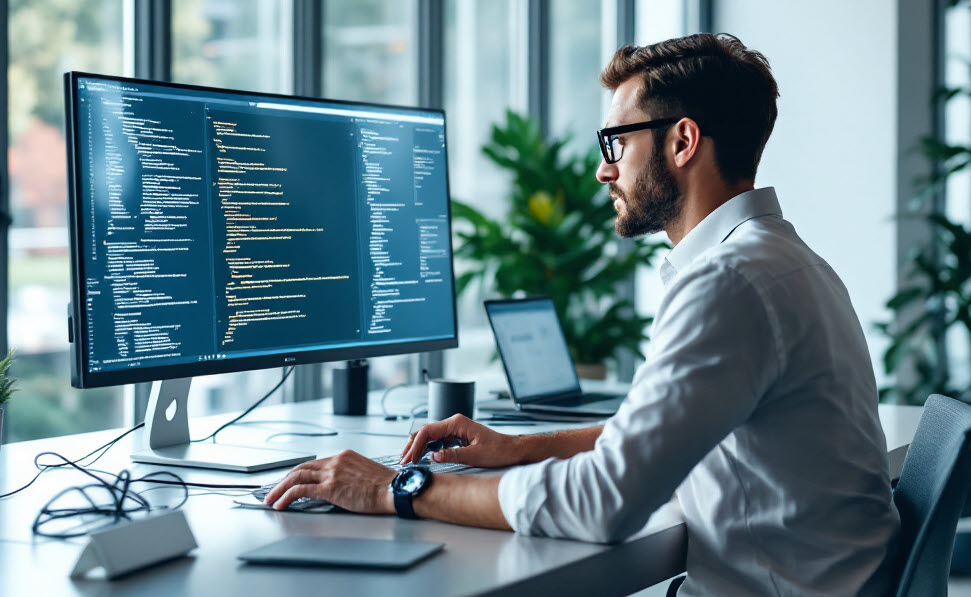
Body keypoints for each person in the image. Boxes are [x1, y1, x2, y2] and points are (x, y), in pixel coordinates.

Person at [264, 33, 900, 595]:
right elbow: (663, 434)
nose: (603, 170)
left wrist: (392, 490)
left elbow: (604, 504)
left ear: (682, 141)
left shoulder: (729, 283)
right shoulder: (785, 262)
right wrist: (517, 449)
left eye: (616, 142)